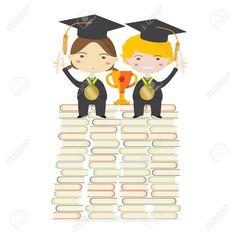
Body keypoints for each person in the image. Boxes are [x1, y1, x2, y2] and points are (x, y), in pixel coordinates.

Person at [57, 15, 124, 118]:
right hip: (84, 98)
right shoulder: (85, 83)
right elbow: (76, 83)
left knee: (101, 99)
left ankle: (100, 113)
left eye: (102, 57)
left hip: (99, 99)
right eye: (82, 56)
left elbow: (103, 95)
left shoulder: (98, 83)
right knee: (82, 98)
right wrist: (65, 70)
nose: (93, 63)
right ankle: (83, 113)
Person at [122, 19, 186, 118]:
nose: (148, 63)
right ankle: (138, 113)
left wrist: (176, 69)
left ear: (168, 59)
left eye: (157, 58)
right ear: (128, 59)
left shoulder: (154, 82)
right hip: (140, 99)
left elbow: (164, 82)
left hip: (155, 98)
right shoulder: (140, 83)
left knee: (156, 99)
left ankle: (156, 113)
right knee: (137, 99)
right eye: (138, 58)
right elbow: (135, 95)